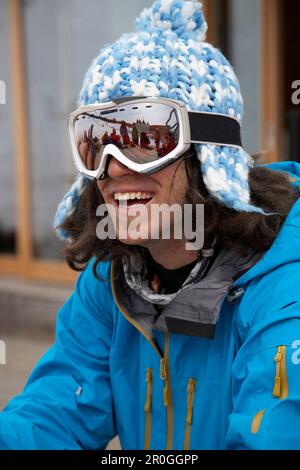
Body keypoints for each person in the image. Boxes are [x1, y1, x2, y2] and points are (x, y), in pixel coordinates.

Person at [1, 0, 300, 451]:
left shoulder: (284, 287)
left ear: (209, 154)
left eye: (146, 140)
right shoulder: (114, 282)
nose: (115, 168)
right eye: (96, 141)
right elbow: (51, 415)